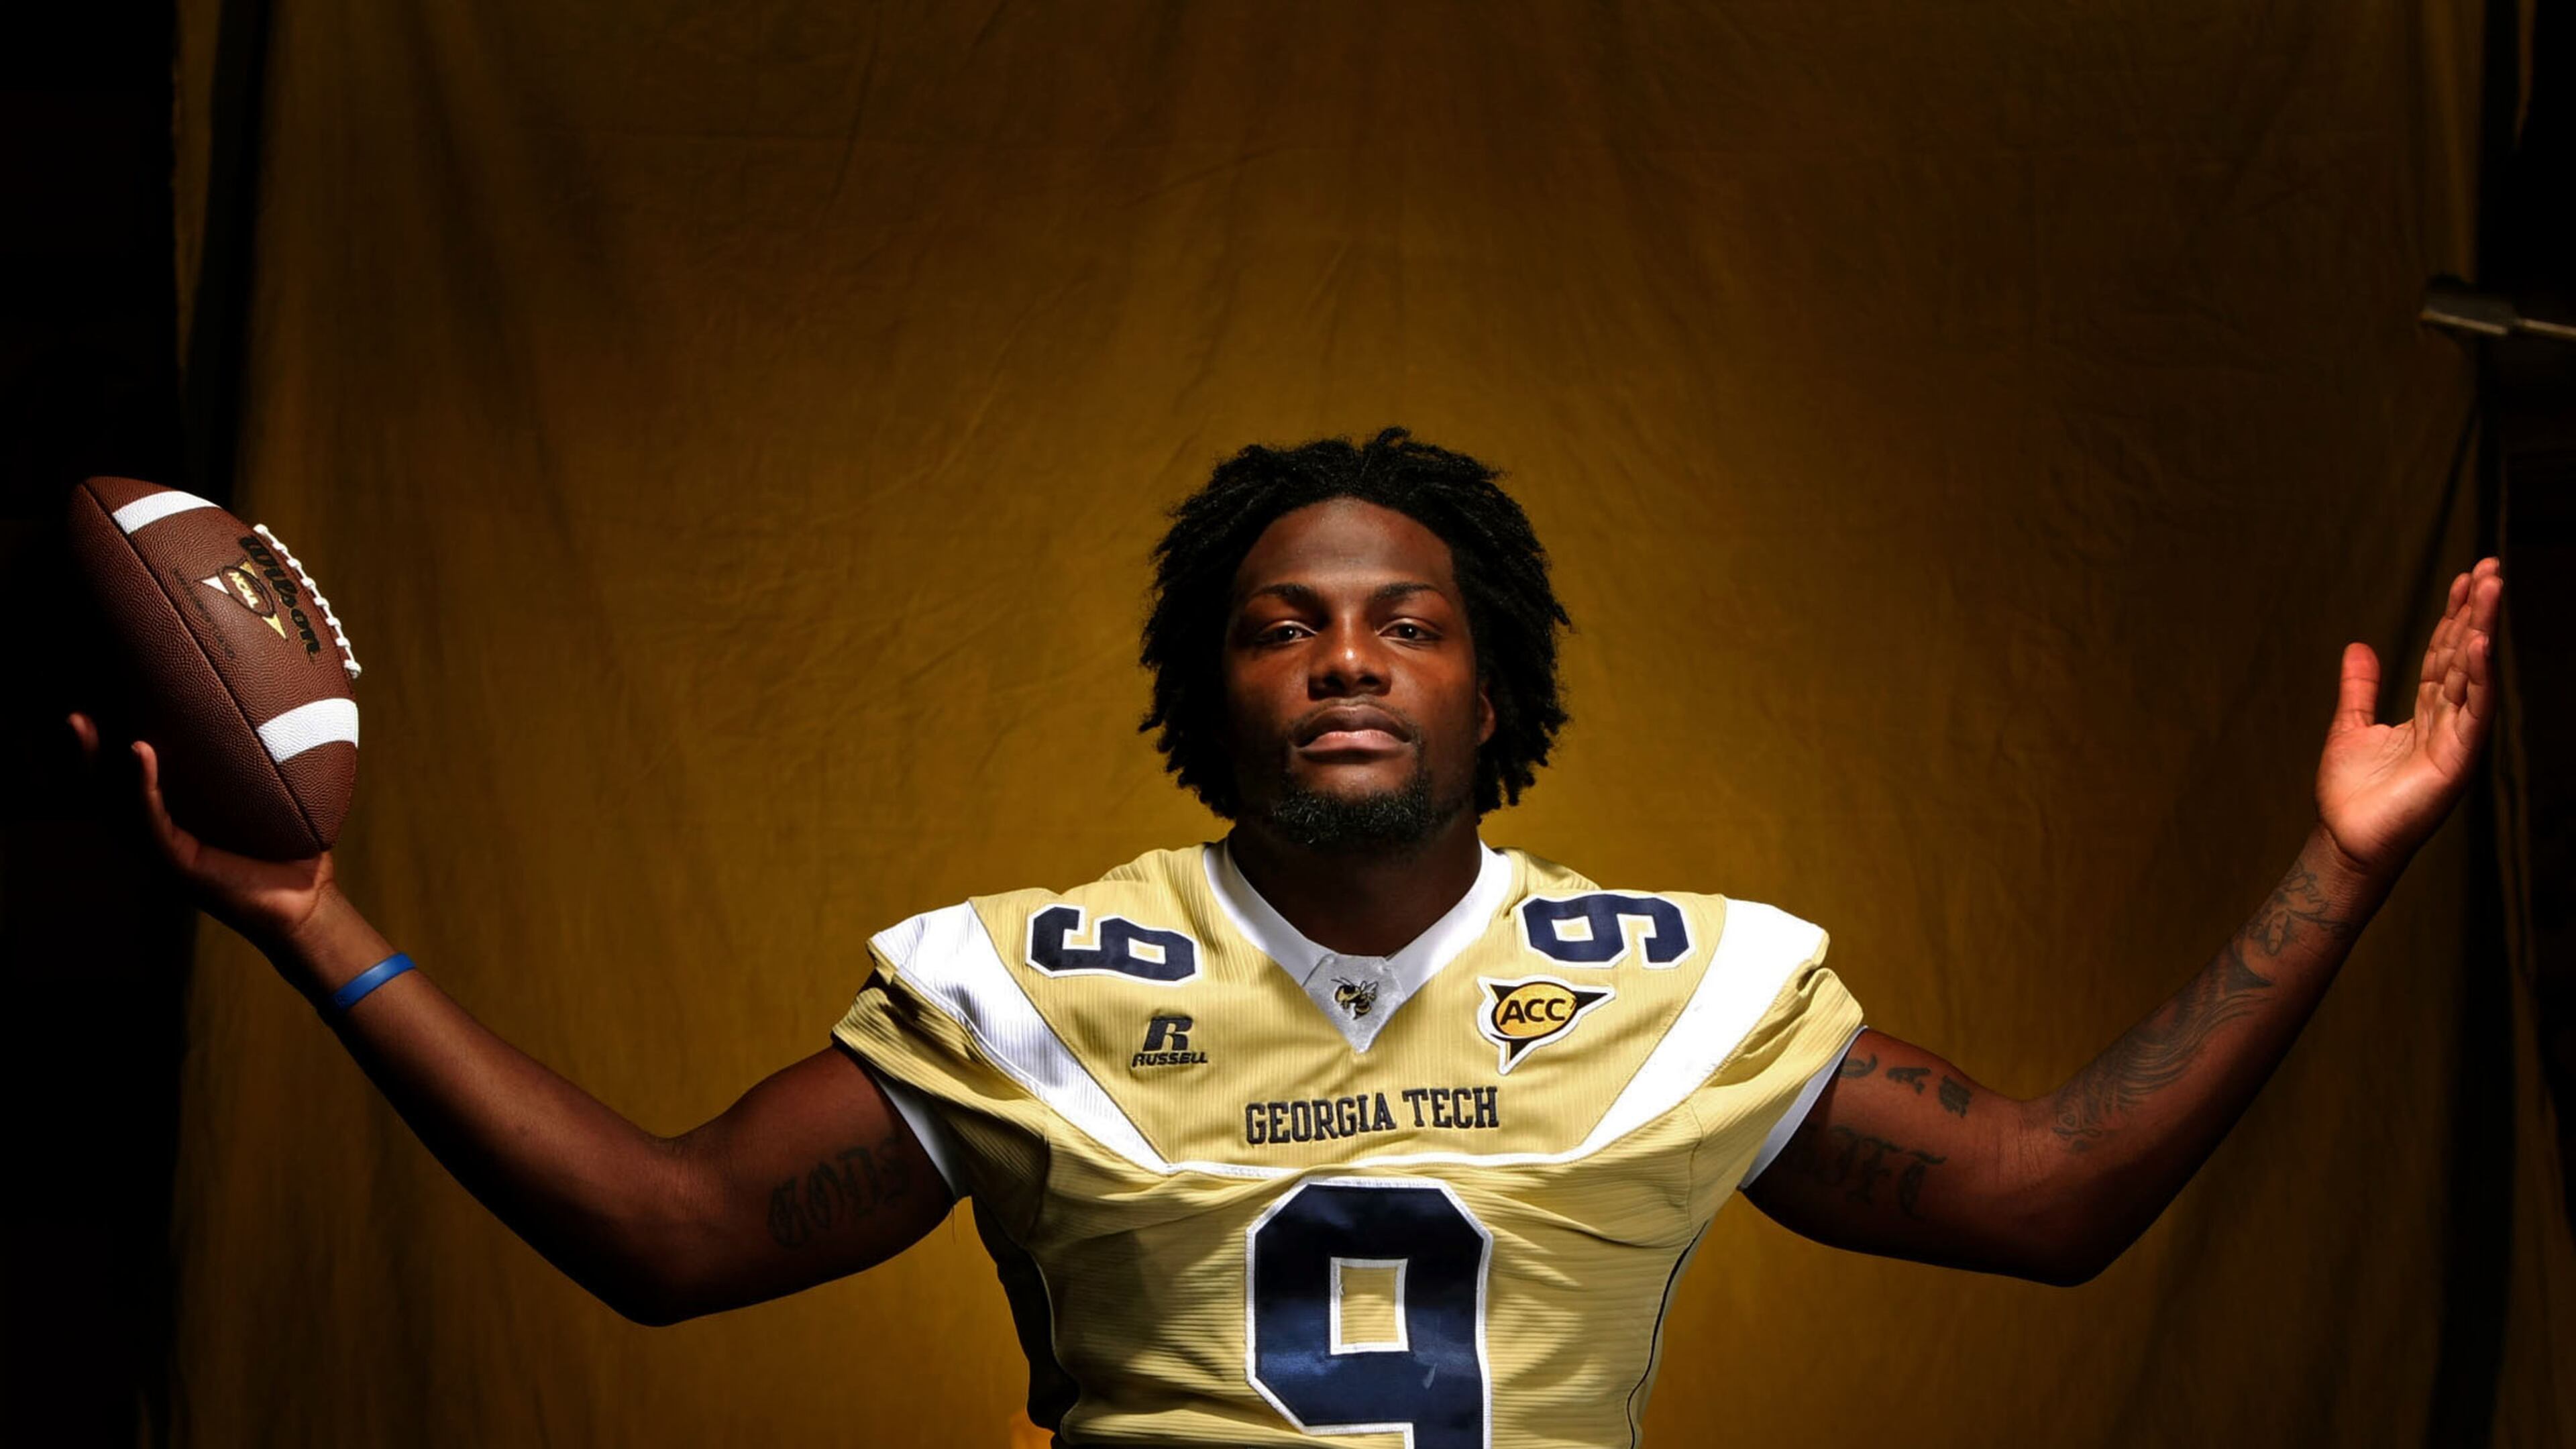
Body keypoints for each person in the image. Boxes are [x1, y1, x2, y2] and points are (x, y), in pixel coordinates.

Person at [72, 428, 2505, 1448]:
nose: (1344, 654)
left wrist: (2351, 865)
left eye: (1409, 619)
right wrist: (310, 921)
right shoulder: (1033, 985)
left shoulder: (1689, 986)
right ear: (1202, 693)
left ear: (1496, 683)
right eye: (1278, 622)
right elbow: (672, 1239)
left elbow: (2064, 1198)